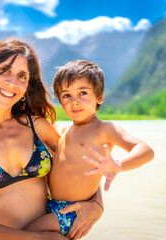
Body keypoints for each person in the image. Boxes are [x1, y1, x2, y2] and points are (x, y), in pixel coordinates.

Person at [0, 39, 104, 240]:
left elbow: (79, 162)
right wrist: (35, 239)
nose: (12, 82)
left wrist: (97, 204)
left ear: (27, 86)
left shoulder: (37, 127)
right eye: (4, 70)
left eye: (22, 76)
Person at [24, 60, 154, 236]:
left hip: (71, 210)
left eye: (82, 93)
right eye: (66, 96)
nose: (75, 101)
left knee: (24, 234)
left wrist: (118, 165)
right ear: (61, 103)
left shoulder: (105, 129)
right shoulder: (65, 130)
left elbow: (145, 149)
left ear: (99, 97)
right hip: (50, 204)